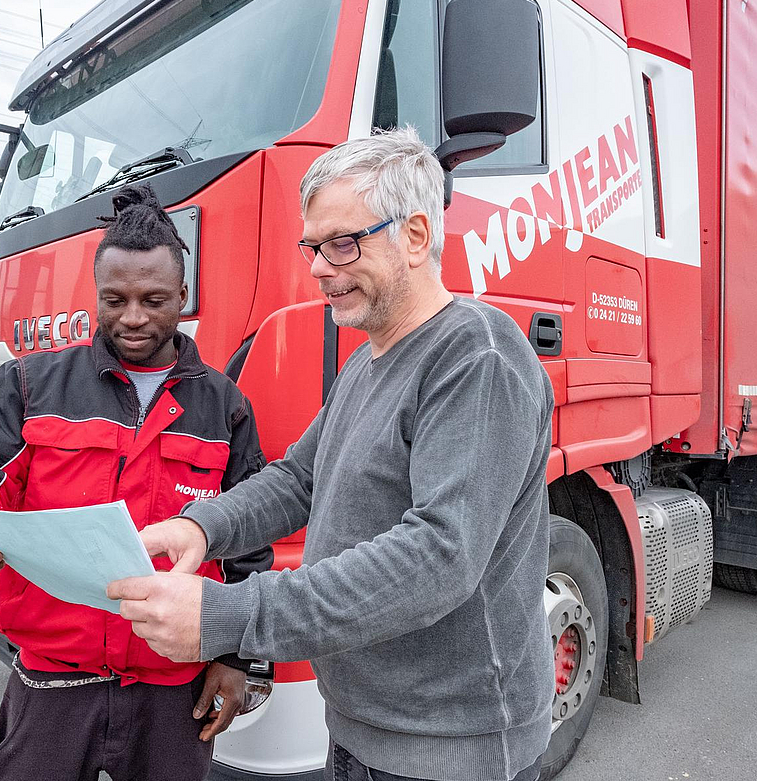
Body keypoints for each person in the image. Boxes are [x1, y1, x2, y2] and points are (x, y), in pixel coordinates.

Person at [109, 129, 556, 781]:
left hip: (450, 749)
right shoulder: (367, 364)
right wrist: (202, 526)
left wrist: (230, 614)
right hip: (361, 727)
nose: (318, 266)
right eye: (312, 246)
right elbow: (296, 479)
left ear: (414, 235)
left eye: (343, 242)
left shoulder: (476, 354)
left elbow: (440, 555)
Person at [0, 183, 273, 781]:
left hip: (173, 682)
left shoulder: (225, 405)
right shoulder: (28, 385)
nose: (133, 318)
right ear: (96, 296)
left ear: (182, 297)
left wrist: (238, 660)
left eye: (153, 300)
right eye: (116, 299)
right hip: (52, 679)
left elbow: (247, 541)